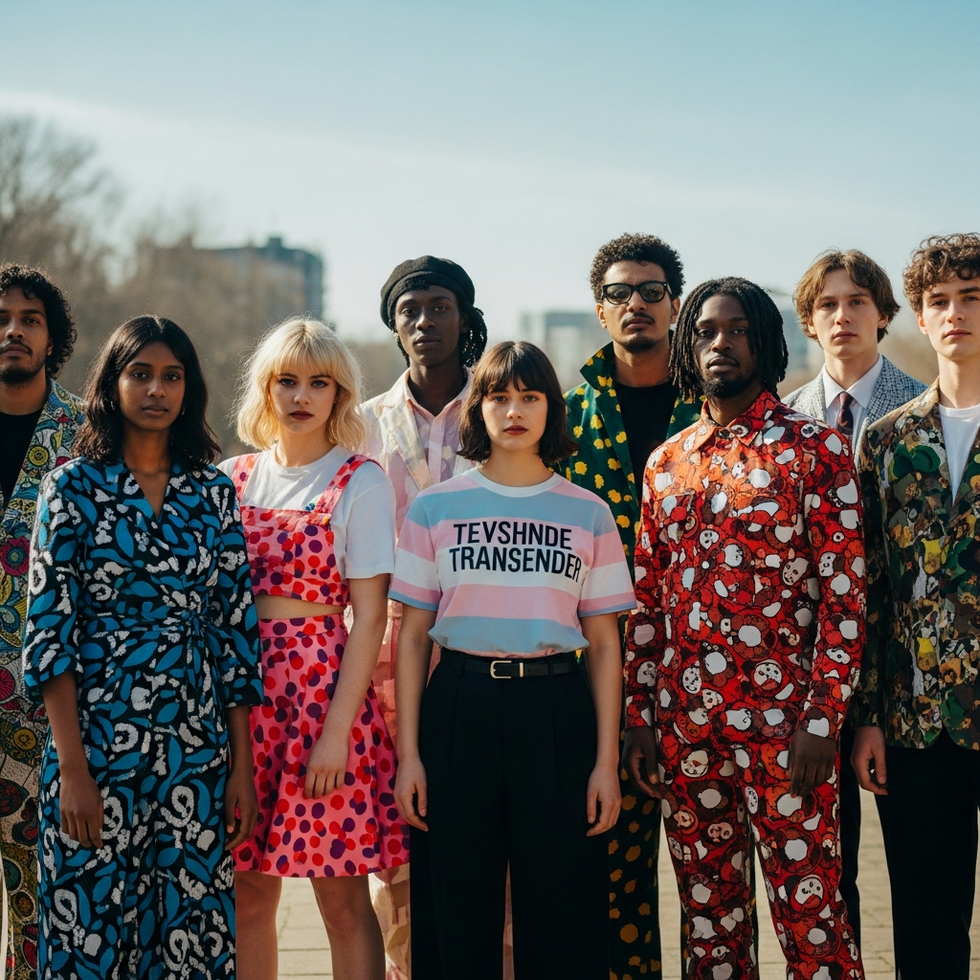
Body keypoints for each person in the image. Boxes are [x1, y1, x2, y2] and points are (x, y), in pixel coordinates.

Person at [624, 278, 865, 979]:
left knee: (812, 924)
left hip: (787, 732)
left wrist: (822, 719)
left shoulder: (816, 450)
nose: (720, 343)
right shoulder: (667, 462)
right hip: (685, 731)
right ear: (686, 346)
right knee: (709, 928)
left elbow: (845, 600)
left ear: (765, 341)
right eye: (705, 331)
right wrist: (640, 716)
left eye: (737, 330)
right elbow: (648, 602)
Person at [23, 315, 263, 979]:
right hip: (97, 746)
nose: (157, 389)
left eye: (172, 376)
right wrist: (72, 769)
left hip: (196, 751)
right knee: (88, 936)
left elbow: (235, 633)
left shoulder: (212, 492)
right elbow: (50, 633)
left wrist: (241, 767)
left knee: (192, 938)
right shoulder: (71, 488)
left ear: (189, 389)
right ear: (112, 383)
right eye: (141, 373)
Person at [392, 341, 633, 980]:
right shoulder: (435, 507)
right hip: (460, 707)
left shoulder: (588, 512)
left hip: (556, 711)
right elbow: (411, 638)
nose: (514, 411)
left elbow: (604, 645)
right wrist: (410, 755)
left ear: (552, 408)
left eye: (530, 396)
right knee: (455, 907)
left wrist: (604, 763)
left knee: (561, 911)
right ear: (479, 408)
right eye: (499, 397)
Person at [223, 318, 408, 980]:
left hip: (322, 699)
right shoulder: (231, 478)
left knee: (341, 902)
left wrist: (335, 736)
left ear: (340, 395)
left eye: (319, 383)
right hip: (243, 702)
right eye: (288, 381)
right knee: (247, 894)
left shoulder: (361, 480)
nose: (302, 396)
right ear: (266, 389)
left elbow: (370, 616)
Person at [559, 234, 700, 978]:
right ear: (600, 308)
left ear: (674, 304)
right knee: (610, 874)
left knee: (717, 882)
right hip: (598, 672)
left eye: (651, 291)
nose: (636, 304)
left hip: (710, 669)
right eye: (620, 292)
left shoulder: (714, 406)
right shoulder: (565, 416)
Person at [783, 249, 925, 943]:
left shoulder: (924, 409)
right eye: (828, 304)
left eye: (858, 301)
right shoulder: (785, 419)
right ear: (810, 322)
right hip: (810, 682)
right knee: (825, 881)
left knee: (922, 881)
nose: (843, 316)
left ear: (884, 314)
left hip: (904, 679)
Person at [853, 233, 980, 979]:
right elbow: (871, 591)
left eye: (972, 297)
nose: (955, 313)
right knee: (928, 933)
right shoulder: (888, 439)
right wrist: (868, 715)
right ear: (921, 319)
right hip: (916, 720)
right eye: (940, 301)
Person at [361, 255, 488, 978]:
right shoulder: (361, 424)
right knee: (398, 854)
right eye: (409, 310)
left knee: (488, 848)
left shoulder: (500, 408)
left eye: (440, 306)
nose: (424, 321)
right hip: (385, 660)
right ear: (394, 324)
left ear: (463, 317)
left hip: (482, 652)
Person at [0, 264, 84, 980]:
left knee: (39, 903)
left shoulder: (88, 435)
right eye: (1, 319)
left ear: (52, 338)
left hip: (43, 708)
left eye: (30, 320)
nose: (13, 331)